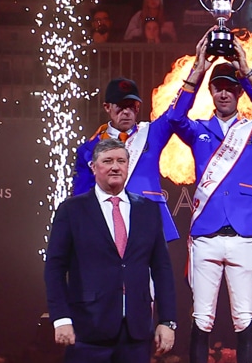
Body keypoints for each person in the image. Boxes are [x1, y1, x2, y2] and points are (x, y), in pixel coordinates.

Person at [46, 137, 176, 363]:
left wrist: (166, 320)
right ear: (94, 168)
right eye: (108, 161)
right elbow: (55, 267)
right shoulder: (73, 210)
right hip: (86, 328)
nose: (116, 167)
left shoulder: (149, 211)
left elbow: (162, 270)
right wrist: (61, 317)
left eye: (121, 160)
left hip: (135, 328)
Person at [166, 37, 252, 363]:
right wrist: (199, 69)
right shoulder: (196, 129)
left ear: (239, 92)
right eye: (220, 87)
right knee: (201, 320)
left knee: (244, 319)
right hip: (206, 236)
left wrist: (246, 69)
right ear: (211, 92)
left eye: (232, 88)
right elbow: (173, 119)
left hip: (244, 235)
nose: (226, 93)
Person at [73, 79, 181, 243]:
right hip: (105, 228)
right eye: (120, 106)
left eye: (131, 106)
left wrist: (197, 71)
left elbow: (177, 110)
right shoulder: (88, 150)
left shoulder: (151, 134)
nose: (126, 112)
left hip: (147, 226)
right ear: (107, 107)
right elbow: (81, 196)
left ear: (138, 108)